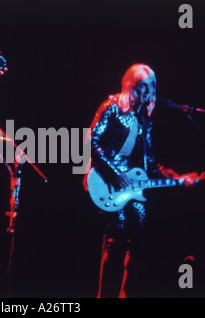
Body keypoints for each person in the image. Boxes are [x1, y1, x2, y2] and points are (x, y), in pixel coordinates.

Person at [86, 63, 166, 298]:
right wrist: (113, 173)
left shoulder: (143, 117)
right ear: (130, 86)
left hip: (132, 184)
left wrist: (174, 177)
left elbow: (148, 159)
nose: (147, 92)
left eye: (151, 86)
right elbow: (92, 141)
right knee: (115, 238)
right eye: (142, 87)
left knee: (139, 237)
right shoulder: (111, 106)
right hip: (107, 179)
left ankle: (125, 294)